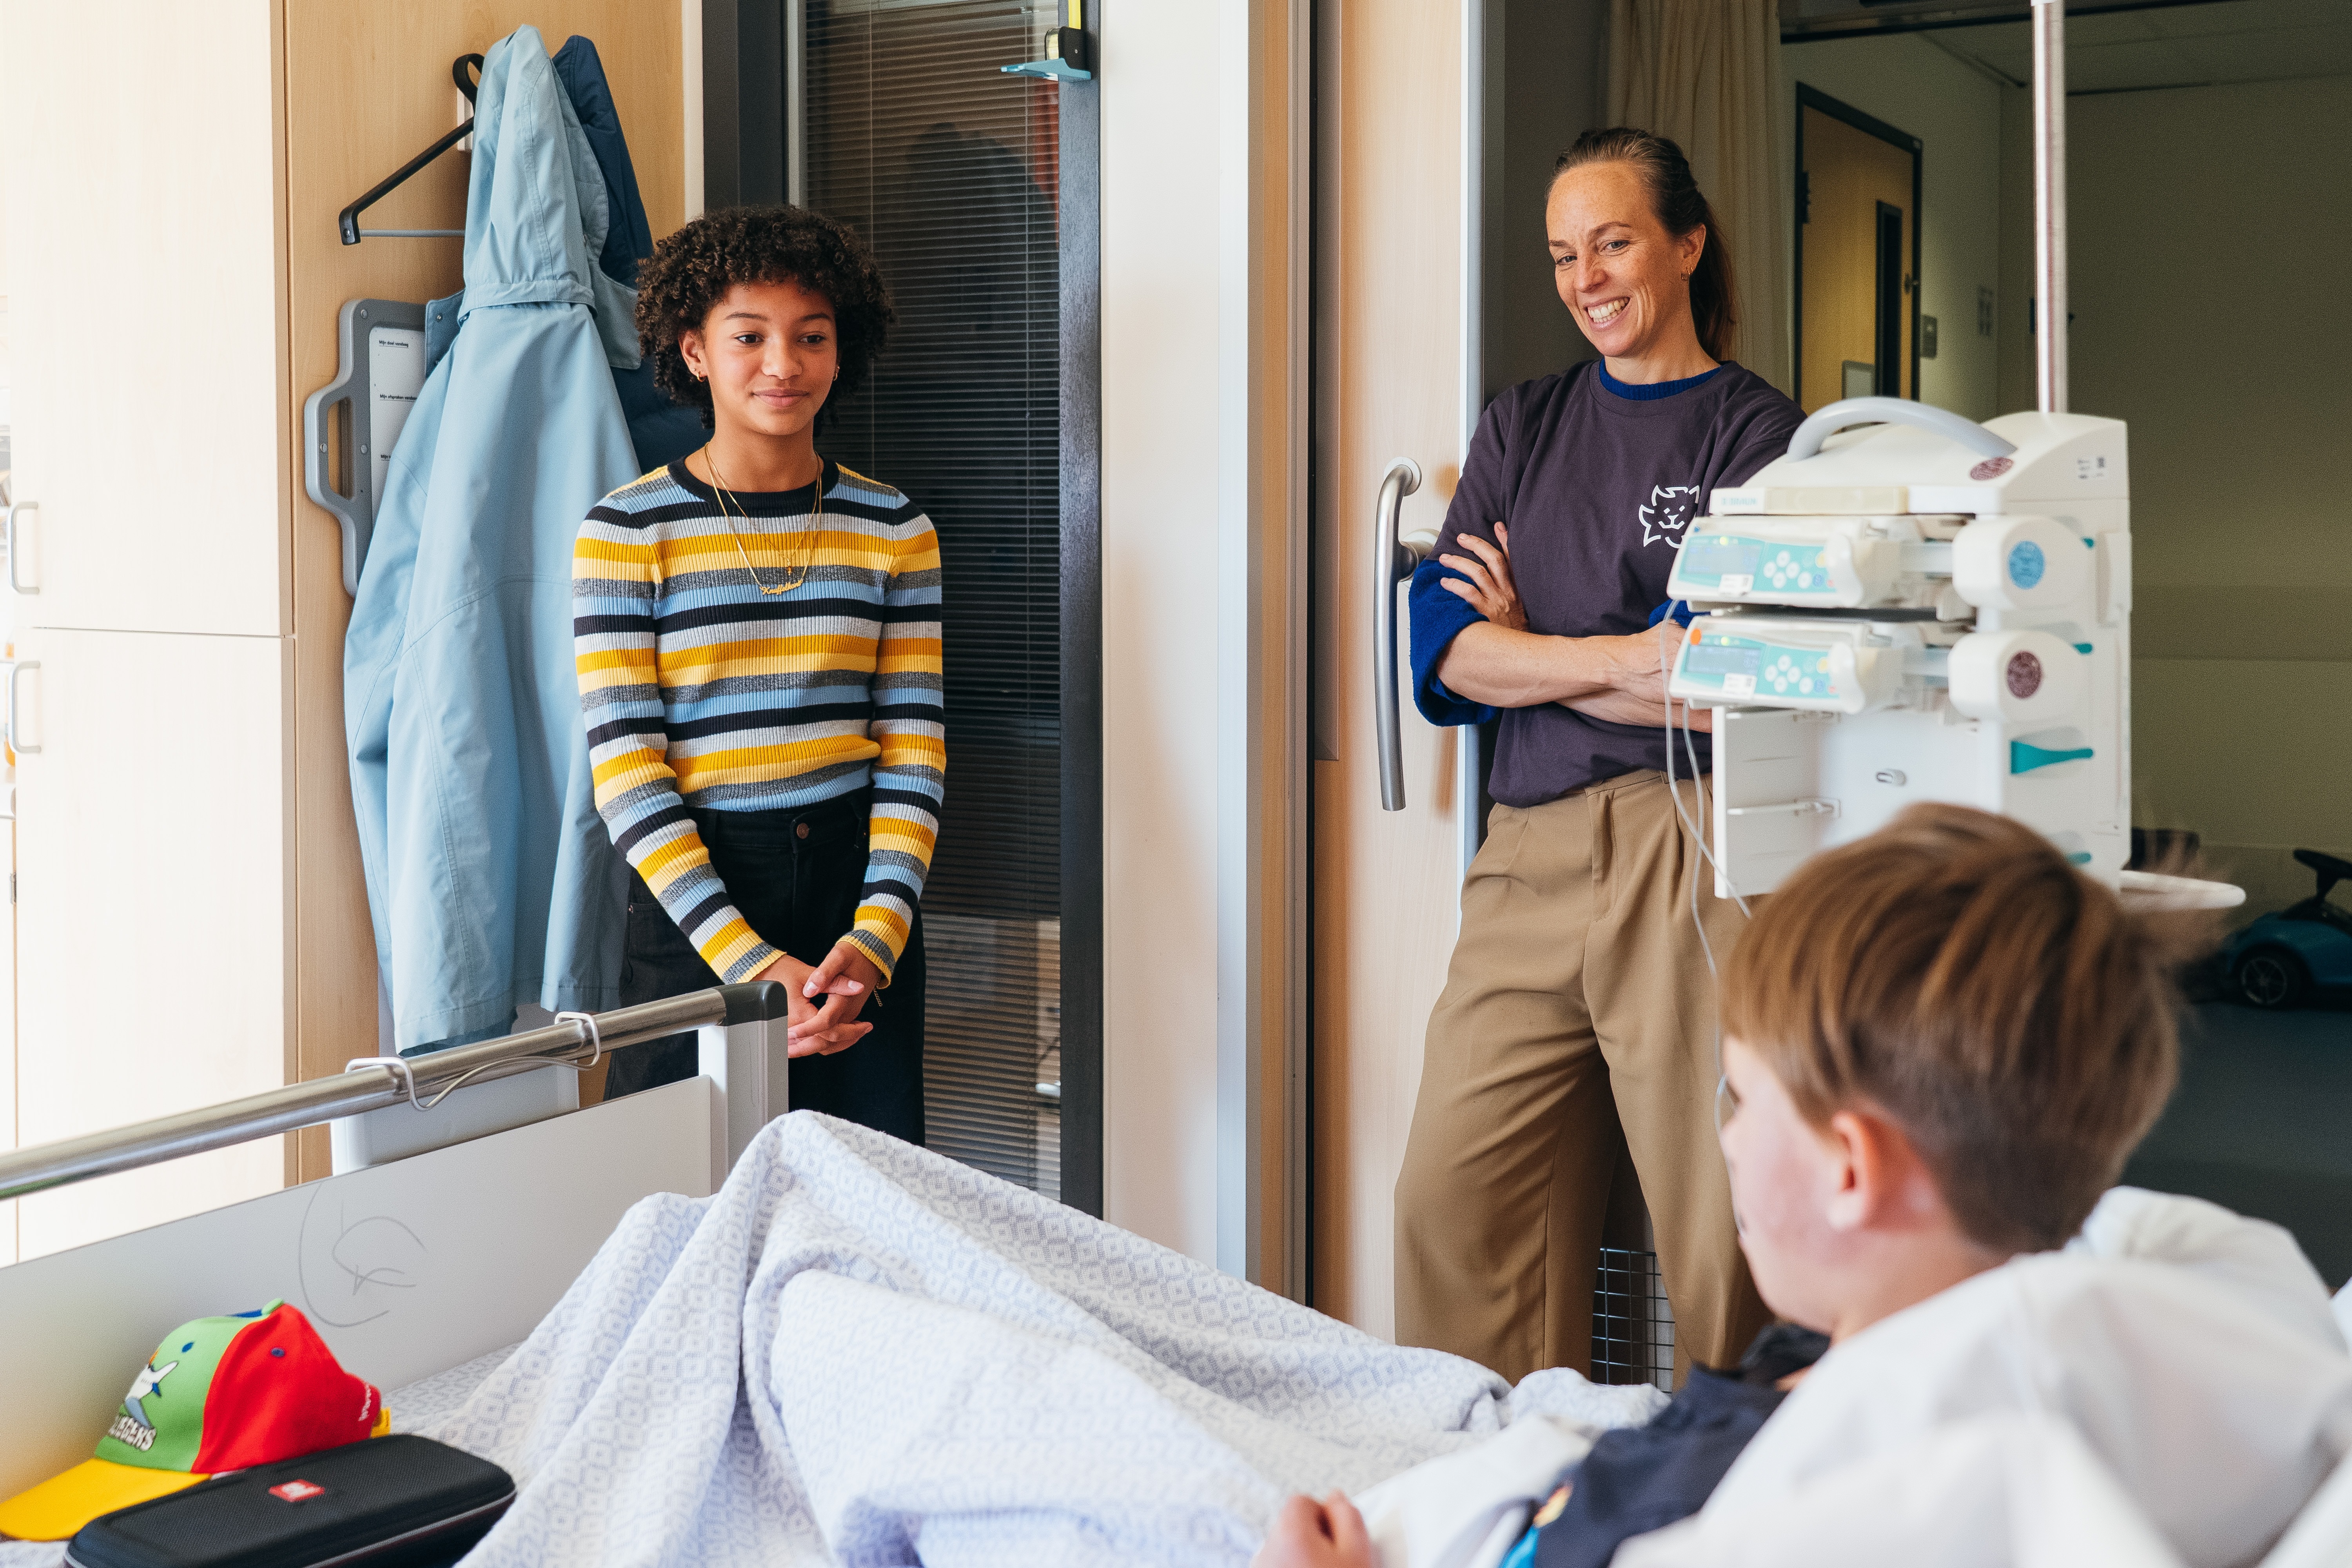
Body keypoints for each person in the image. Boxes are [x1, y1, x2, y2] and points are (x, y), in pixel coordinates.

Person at [1261, 805, 2350, 1568]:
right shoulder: (1861, 1354)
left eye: (1742, 1099)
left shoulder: (1812, 1498)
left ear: (1849, 1168)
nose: (1727, 1141)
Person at [1393, 128, 1803, 1385]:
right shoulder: (1523, 424)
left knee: (1724, 1226)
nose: (1587, 278)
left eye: (1613, 243)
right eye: (1565, 255)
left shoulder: (1761, 440)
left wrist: (1541, 650)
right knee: (1452, 1203)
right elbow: (1450, 659)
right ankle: (1505, 1486)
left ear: (1684, 245)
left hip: (1690, 855)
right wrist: (1627, 657)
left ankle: (1736, 1493)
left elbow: (1727, 687)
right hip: (1523, 859)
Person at [572, 205, 944, 1139]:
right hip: (696, 897)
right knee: (680, 1194)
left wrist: (877, 937)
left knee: (867, 1197)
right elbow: (627, 771)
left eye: (810, 337)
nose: (783, 363)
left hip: (855, 895)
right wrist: (745, 961)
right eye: (750, 336)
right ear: (694, 350)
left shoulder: (896, 527)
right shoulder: (627, 532)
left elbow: (915, 750)